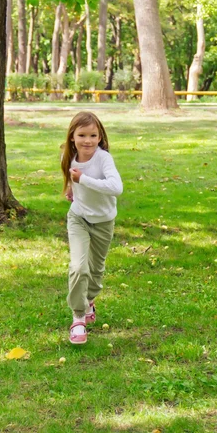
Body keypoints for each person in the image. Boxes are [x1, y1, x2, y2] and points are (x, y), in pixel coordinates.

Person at [61, 111, 123, 344]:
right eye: (82, 135)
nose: (87, 140)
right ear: (72, 137)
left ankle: (89, 300)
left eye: (93, 135)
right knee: (78, 267)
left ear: (100, 137)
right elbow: (70, 176)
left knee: (95, 271)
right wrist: (70, 188)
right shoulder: (67, 156)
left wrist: (82, 181)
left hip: (104, 221)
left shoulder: (103, 158)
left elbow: (116, 188)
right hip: (78, 218)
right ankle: (78, 317)